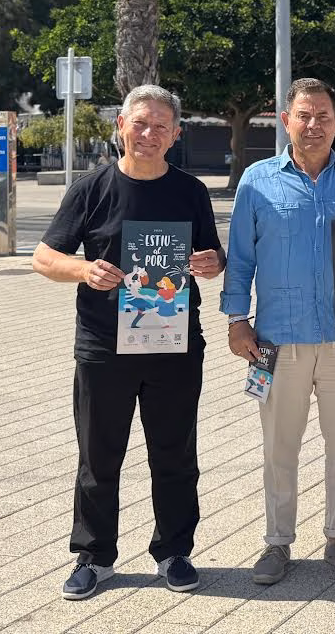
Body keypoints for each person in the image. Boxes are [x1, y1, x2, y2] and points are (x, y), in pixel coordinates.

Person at [33, 85, 224, 600]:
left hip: (176, 345)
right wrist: (82, 269)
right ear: (121, 124)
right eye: (140, 123)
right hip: (103, 346)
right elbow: (44, 258)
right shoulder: (90, 188)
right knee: (99, 455)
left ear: (176, 135)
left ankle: (175, 552)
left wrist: (212, 264)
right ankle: (94, 557)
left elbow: (212, 256)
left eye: (161, 126)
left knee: (175, 453)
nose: (149, 134)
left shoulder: (191, 191)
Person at [222, 77, 335, 586]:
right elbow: (242, 256)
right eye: (304, 115)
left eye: (323, 117)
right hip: (277, 339)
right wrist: (236, 319)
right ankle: (277, 542)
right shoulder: (257, 180)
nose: (313, 126)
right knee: (279, 447)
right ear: (284, 118)